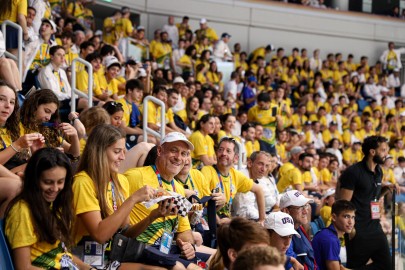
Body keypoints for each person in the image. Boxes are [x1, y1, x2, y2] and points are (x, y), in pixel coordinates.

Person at [72, 124, 166, 269]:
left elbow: (125, 232)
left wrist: (152, 216)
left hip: (109, 257)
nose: (123, 157)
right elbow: (100, 235)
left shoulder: (120, 180)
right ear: (99, 151)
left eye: (124, 151)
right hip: (82, 260)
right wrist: (133, 199)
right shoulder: (83, 182)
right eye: (117, 151)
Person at [124, 132, 208, 268]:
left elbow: (184, 230)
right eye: (174, 151)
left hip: (165, 250)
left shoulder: (178, 189)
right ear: (159, 151)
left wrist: (188, 245)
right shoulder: (135, 176)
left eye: (184, 153)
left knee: (215, 261)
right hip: (140, 248)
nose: (178, 158)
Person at [5, 148, 90, 269]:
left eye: (60, 182)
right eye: (48, 182)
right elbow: (23, 267)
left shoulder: (53, 204)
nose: (55, 189)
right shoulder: (22, 211)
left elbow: (63, 256)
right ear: (34, 179)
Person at [337, 135, 392, 269]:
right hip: (358, 230)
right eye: (383, 150)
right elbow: (343, 204)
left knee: (386, 265)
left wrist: (386, 189)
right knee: (356, 265)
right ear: (372, 152)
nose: (386, 154)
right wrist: (351, 230)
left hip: (375, 227)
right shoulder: (353, 172)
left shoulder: (379, 171)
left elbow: (373, 195)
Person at [201, 137, 266, 225]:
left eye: (228, 151)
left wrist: (262, 219)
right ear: (216, 153)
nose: (223, 153)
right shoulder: (207, 170)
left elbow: (259, 190)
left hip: (226, 223)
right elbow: (204, 203)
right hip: (208, 222)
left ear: (235, 158)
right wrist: (219, 221)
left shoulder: (235, 175)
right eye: (220, 150)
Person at [233, 151, 279, 219]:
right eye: (260, 164)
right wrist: (267, 218)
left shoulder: (256, 178)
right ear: (249, 163)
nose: (263, 169)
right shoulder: (242, 177)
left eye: (266, 166)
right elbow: (244, 212)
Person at [312, 200, 356, 270]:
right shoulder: (330, 239)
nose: (351, 222)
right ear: (334, 217)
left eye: (353, 217)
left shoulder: (329, 234)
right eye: (346, 216)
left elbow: (340, 267)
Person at [280, 190, 316, 270]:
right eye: (300, 207)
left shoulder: (299, 227)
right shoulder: (284, 235)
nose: (305, 211)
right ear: (286, 211)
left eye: (306, 206)